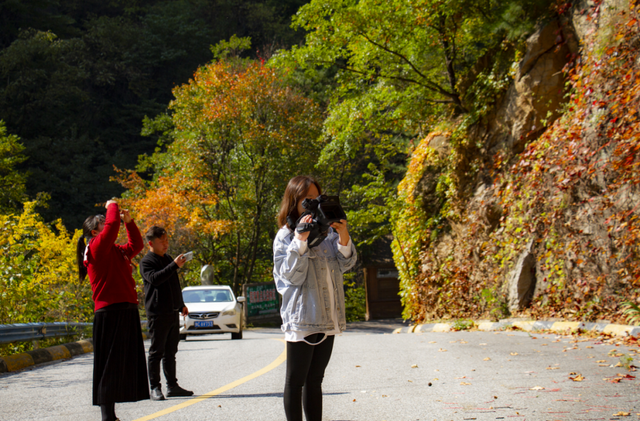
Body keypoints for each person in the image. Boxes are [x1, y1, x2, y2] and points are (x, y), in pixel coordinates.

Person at [273, 175, 357, 421]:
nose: (312, 204)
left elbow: (346, 264)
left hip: (328, 315)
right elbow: (290, 276)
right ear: (294, 201)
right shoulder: (286, 236)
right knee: (296, 380)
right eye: (306, 199)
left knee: (315, 380)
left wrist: (342, 234)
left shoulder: (327, 233)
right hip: (303, 317)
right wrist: (300, 240)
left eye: (316, 198)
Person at [76, 200, 149, 421]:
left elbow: (136, 245)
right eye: (102, 223)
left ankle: (112, 415)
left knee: (121, 364)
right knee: (109, 367)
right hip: (110, 312)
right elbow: (111, 228)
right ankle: (107, 416)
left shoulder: (114, 250)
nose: (107, 223)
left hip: (125, 309)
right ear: (93, 231)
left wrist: (129, 222)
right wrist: (112, 205)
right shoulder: (96, 247)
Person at [139, 226, 193, 401]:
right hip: (157, 313)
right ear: (151, 243)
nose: (165, 244)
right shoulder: (147, 262)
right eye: (162, 241)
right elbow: (155, 279)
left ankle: (173, 386)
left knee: (171, 351)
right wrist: (174, 266)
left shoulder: (168, 259)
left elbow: (173, 285)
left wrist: (181, 305)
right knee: (156, 351)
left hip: (171, 312)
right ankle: (155, 387)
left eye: (167, 241)